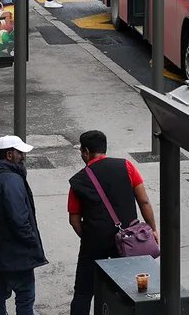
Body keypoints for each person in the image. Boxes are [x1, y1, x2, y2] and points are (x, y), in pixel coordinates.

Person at [67, 130, 157, 315]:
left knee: (83, 292)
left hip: (94, 242)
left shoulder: (78, 180)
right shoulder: (126, 166)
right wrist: (154, 229)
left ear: (86, 151)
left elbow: (74, 219)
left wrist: (89, 237)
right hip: (127, 241)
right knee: (127, 288)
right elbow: (144, 201)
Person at [0, 135, 47, 315]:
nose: (23, 157)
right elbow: (19, 219)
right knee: (25, 296)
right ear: (9, 155)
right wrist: (32, 242)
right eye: (20, 153)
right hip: (17, 254)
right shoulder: (11, 181)